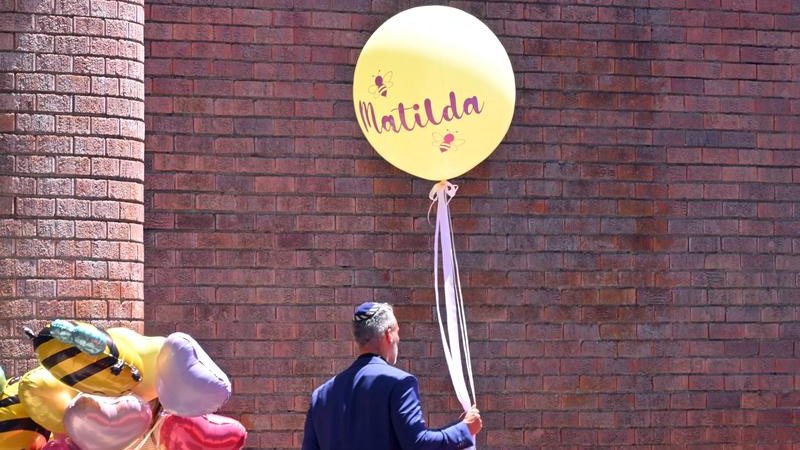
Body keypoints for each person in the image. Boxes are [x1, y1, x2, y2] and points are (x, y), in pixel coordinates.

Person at [302, 302, 482, 450]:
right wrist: (464, 430)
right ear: (388, 334)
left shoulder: (321, 396)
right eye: (398, 331)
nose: (399, 338)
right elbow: (418, 443)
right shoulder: (399, 383)